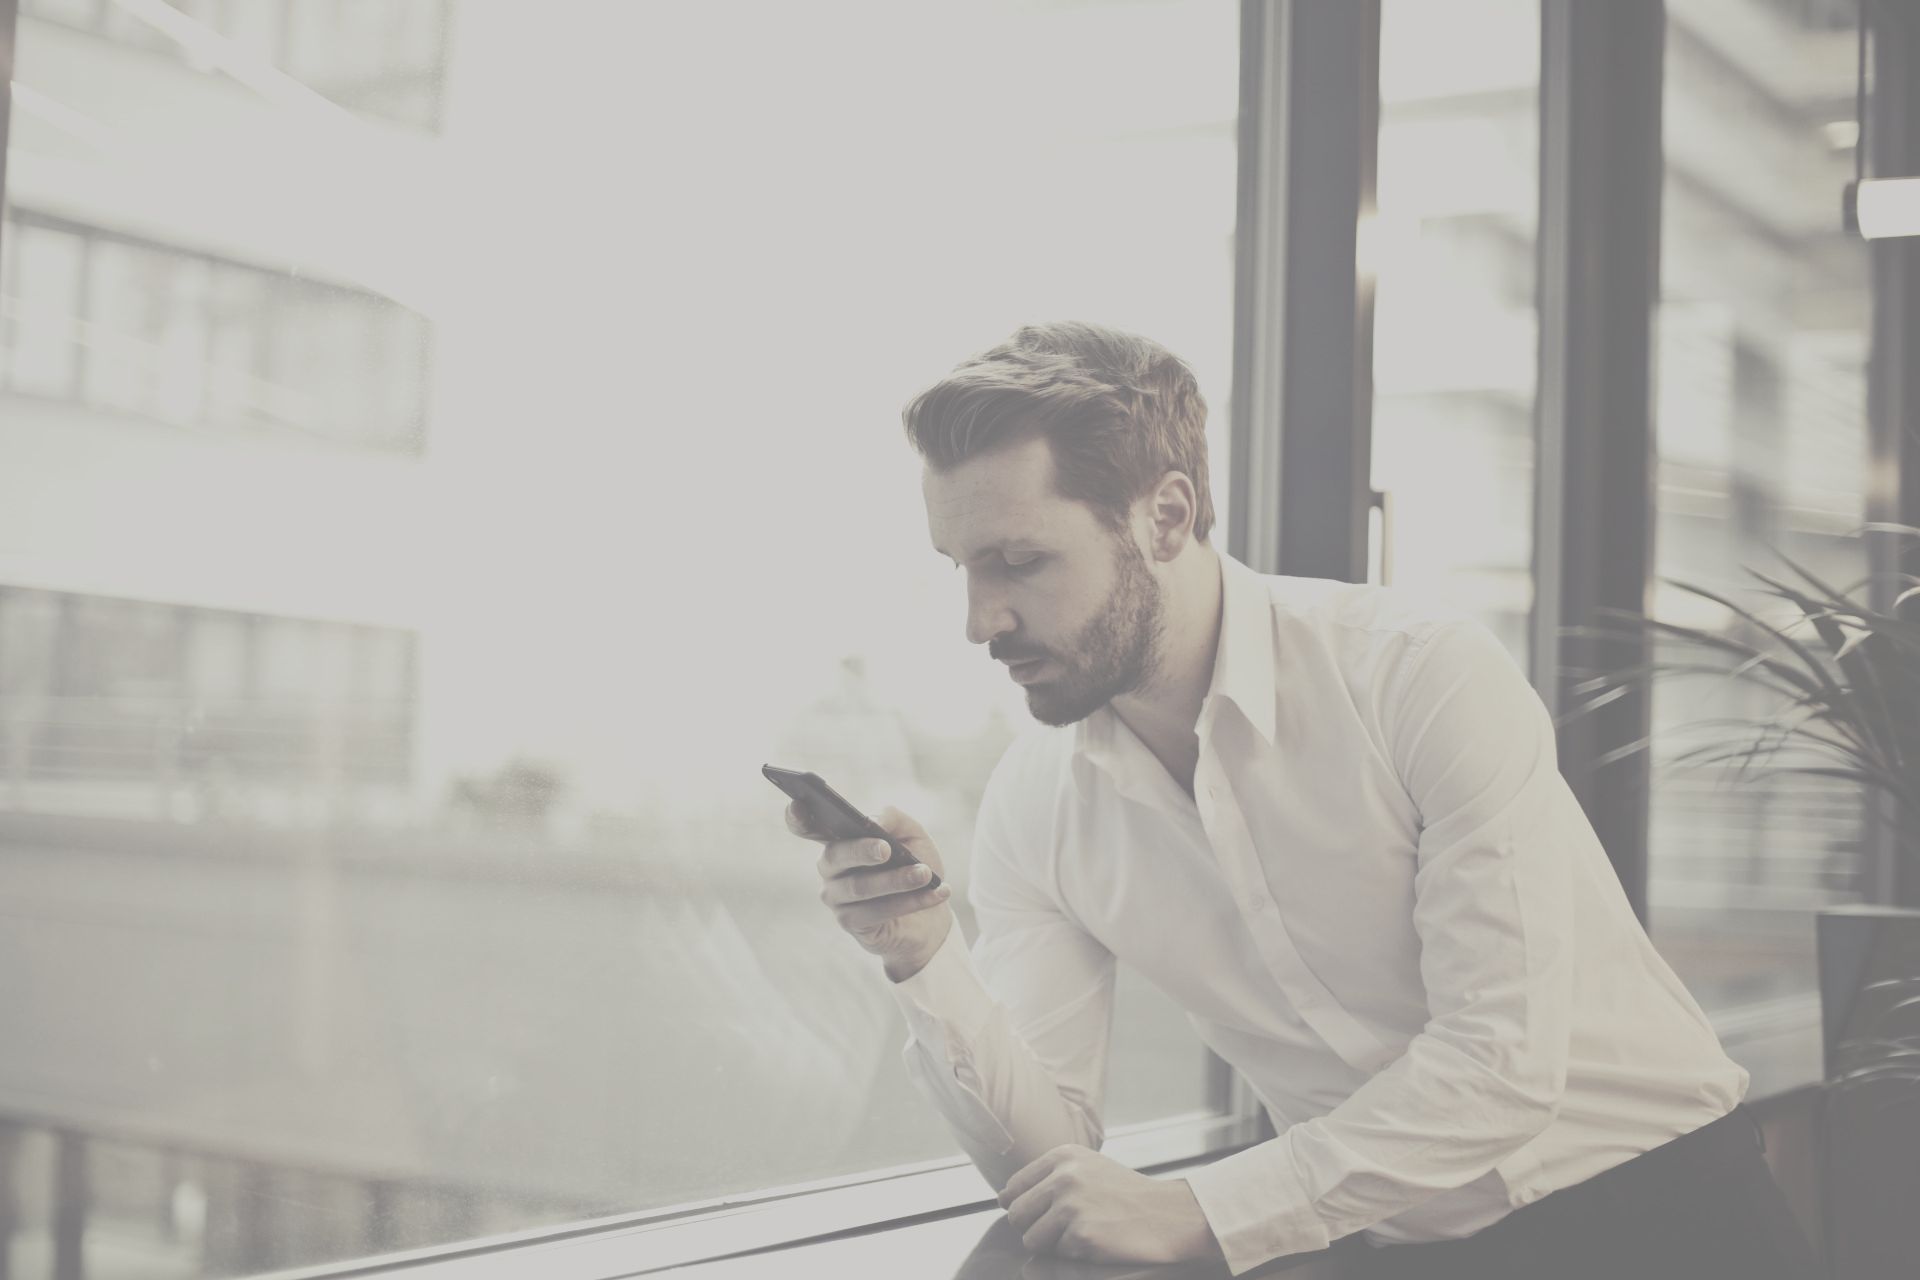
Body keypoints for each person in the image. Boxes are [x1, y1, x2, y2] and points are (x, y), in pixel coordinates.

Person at [782, 321, 1821, 1279]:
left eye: (1019, 560)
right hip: (1387, 1244)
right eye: (961, 566)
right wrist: (924, 958)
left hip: (1664, 1210)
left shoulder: (1418, 674)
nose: (978, 619)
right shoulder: (1036, 806)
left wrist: (1210, 1205)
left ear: (1166, 514)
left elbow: (1500, 1064)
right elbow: (1053, 1166)